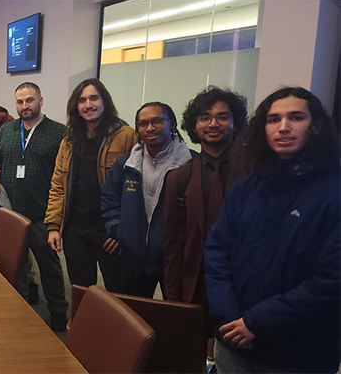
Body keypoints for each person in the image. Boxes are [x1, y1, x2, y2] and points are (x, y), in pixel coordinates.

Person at [205, 87, 341, 373]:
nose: (283, 127)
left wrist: (256, 322)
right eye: (273, 119)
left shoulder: (333, 192)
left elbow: (331, 279)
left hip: (298, 350)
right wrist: (229, 318)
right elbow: (217, 251)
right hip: (233, 341)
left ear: (314, 126)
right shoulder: (246, 187)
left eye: (296, 117)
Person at [0, 82, 68, 330]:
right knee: (12, 263)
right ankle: (16, 306)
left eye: (29, 101)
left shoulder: (59, 132)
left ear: (40, 101)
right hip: (10, 212)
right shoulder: (7, 130)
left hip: (41, 213)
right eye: (20, 102)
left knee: (49, 266)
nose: (24, 106)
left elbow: (63, 174)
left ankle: (59, 314)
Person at [45, 78, 136, 293]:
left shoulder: (126, 135)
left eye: (94, 98)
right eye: (82, 100)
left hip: (108, 232)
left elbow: (136, 189)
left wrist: (122, 230)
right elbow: (58, 184)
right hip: (75, 228)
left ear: (105, 101)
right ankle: (85, 326)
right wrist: (53, 225)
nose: (88, 105)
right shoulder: (69, 139)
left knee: (118, 292)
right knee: (80, 290)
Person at [163, 87, 247, 309]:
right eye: (204, 118)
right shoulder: (178, 177)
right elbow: (173, 242)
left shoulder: (255, 173)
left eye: (222, 117)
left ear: (235, 123)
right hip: (196, 282)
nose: (213, 124)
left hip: (244, 282)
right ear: (194, 127)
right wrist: (172, 299)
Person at [101, 102, 193, 298]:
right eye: (143, 124)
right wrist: (120, 231)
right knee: (133, 314)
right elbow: (110, 201)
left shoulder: (191, 164)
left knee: (177, 314)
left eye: (157, 121)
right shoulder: (125, 165)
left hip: (174, 258)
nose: (150, 128)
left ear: (171, 124)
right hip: (134, 256)